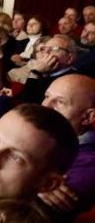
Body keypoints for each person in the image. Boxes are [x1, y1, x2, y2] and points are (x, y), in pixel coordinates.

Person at [40, 74, 95, 214]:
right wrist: (34, 183)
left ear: (88, 117)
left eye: (61, 102)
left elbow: (35, 212)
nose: (45, 105)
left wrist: (28, 186)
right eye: (47, 96)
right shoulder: (35, 133)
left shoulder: (88, 165)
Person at [16, 34, 77, 105]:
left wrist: (36, 72)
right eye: (44, 49)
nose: (45, 52)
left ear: (69, 58)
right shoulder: (43, 73)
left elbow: (28, 105)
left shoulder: (73, 81)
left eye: (54, 49)